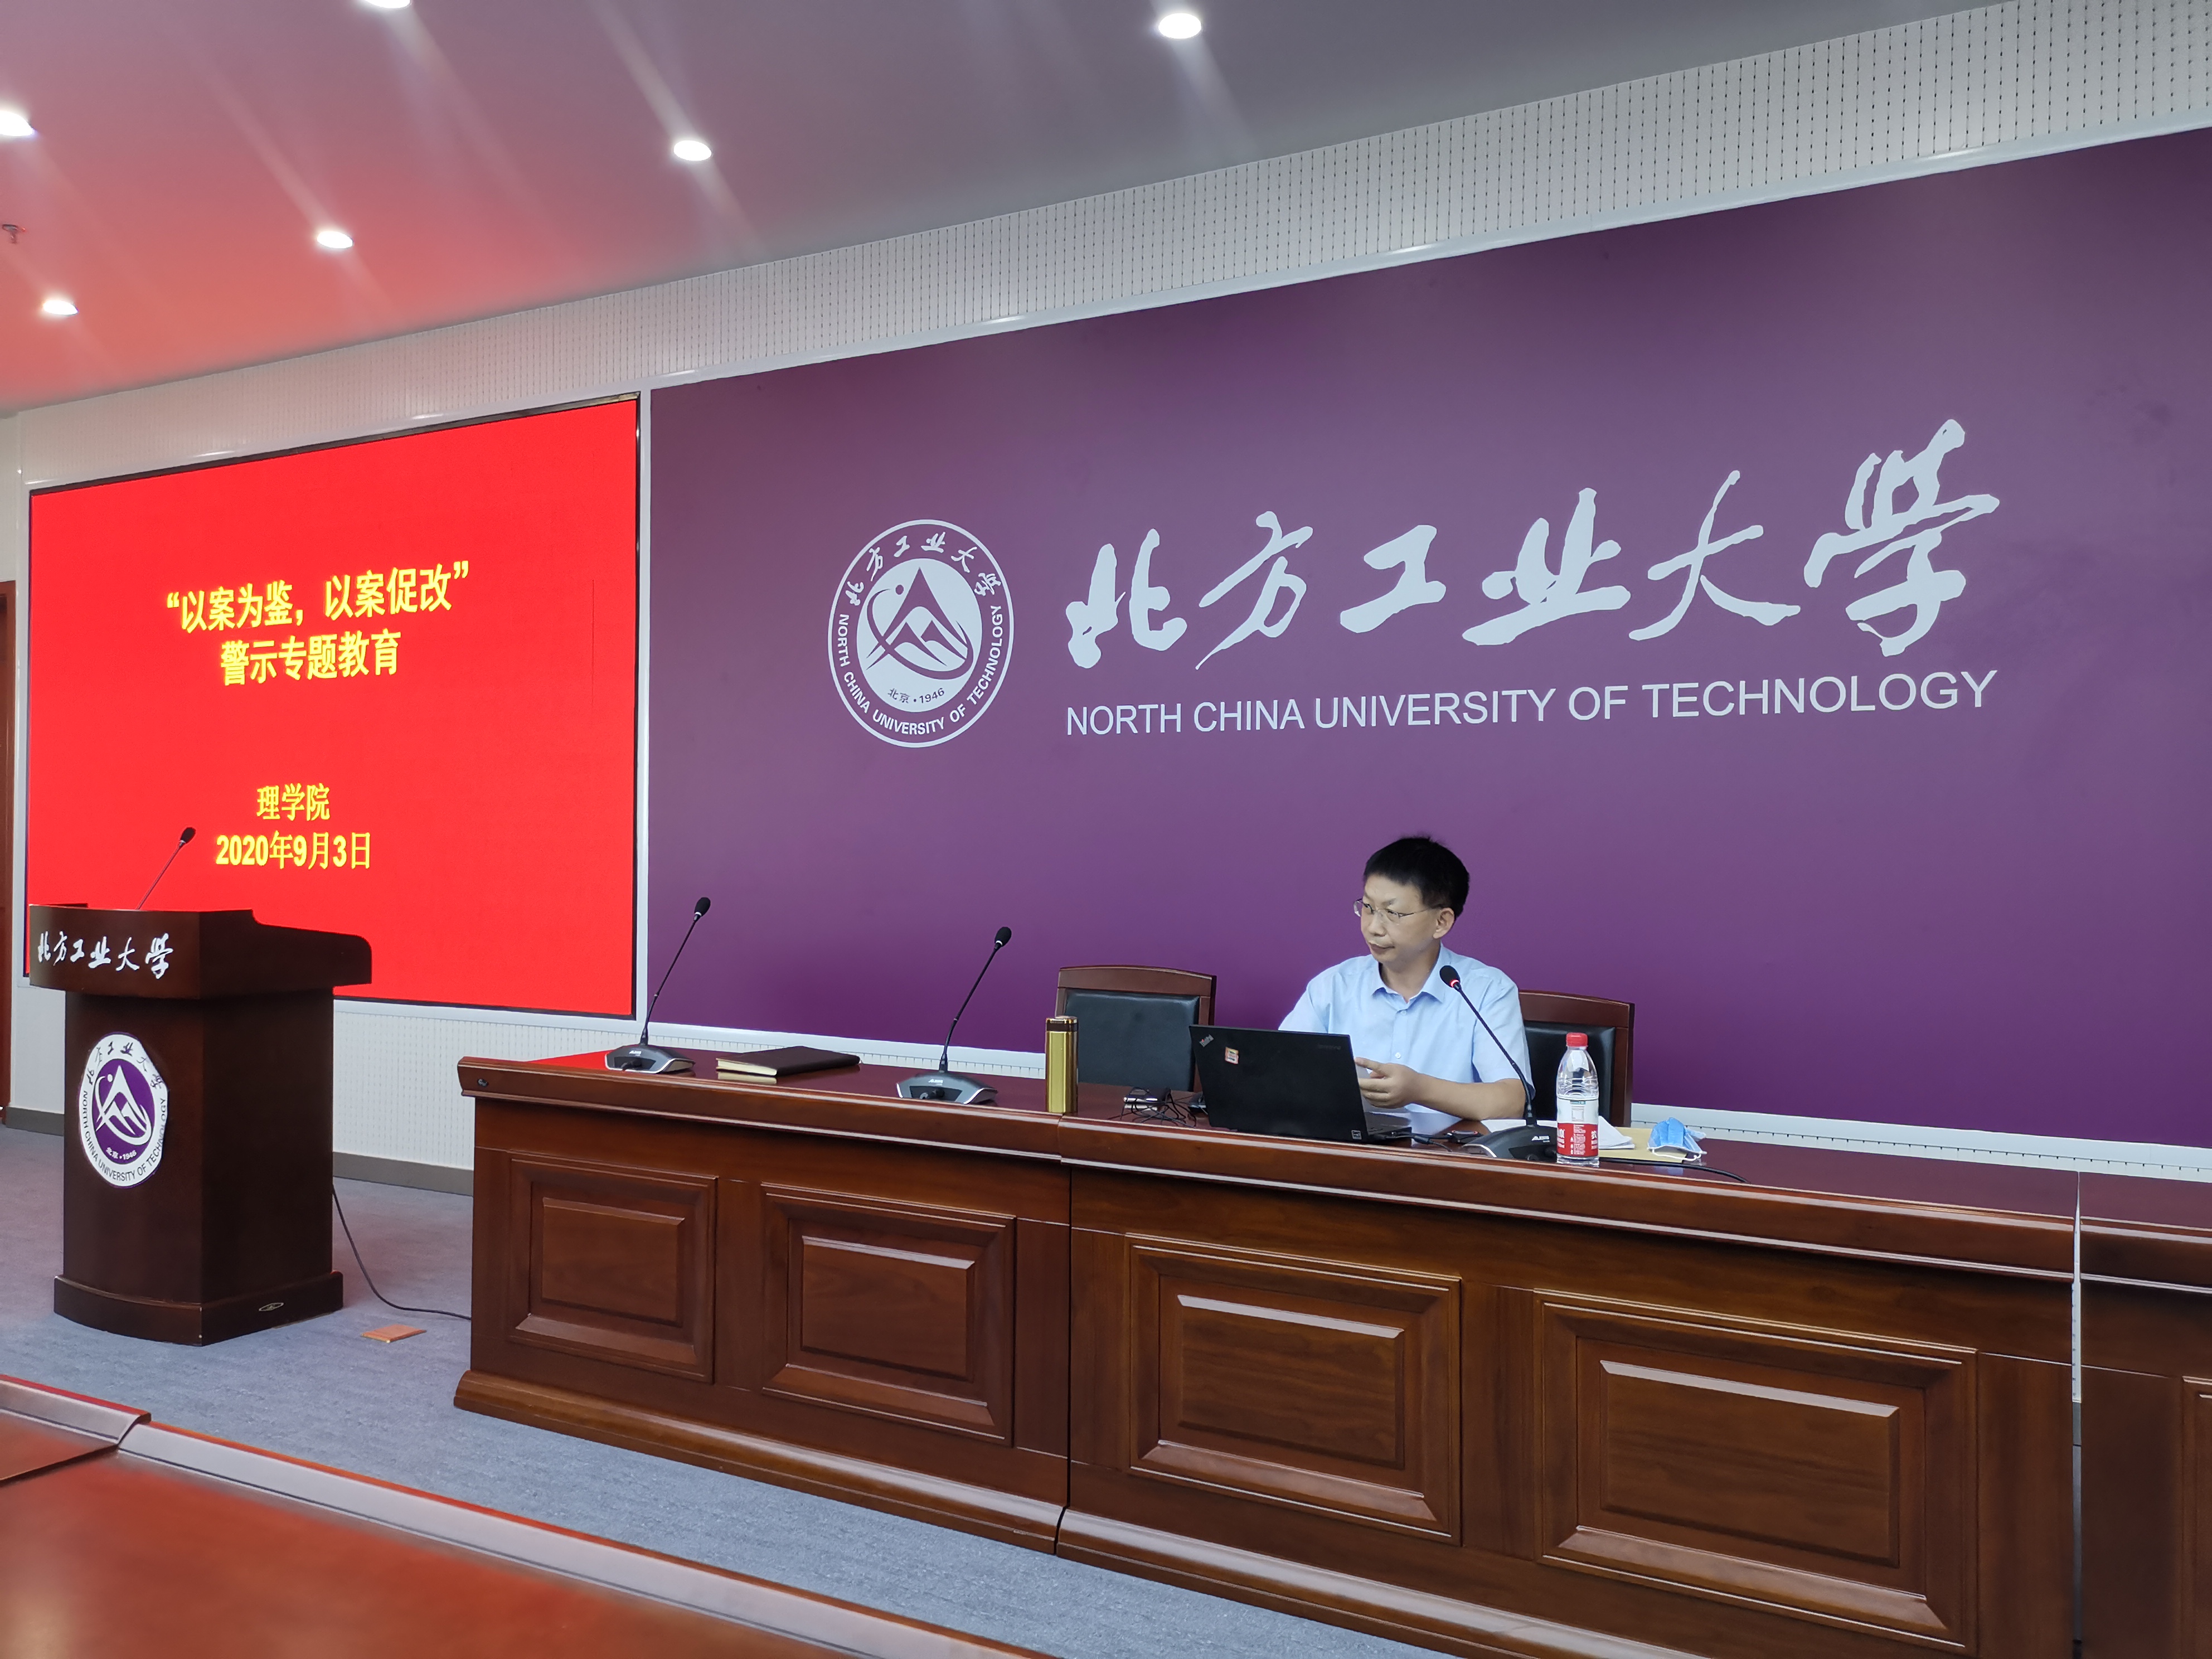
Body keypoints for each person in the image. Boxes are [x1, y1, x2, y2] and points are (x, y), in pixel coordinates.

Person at [1281, 834, 1529, 1138]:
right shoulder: (1334, 986)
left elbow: (1511, 1101)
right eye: (1368, 907)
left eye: (1393, 913)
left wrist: (1419, 1089)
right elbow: (1280, 1071)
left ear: (1441, 922)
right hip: (1345, 1151)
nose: (1373, 927)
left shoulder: (1486, 990)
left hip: (1444, 1158)